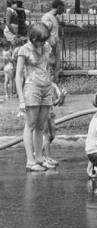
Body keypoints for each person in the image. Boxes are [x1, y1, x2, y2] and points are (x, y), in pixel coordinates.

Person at [16, 22, 54, 171]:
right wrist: (21, 99)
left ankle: (39, 157)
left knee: (41, 126)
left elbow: (46, 67)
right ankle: (30, 161)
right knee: (30, 125)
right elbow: (18, 76)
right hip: (32, 89)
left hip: (46, 88)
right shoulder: (23, 50)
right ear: (32, 38)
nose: (43, 43)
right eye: (41, 40)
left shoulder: (45, 47)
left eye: (44, 40)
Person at [42, 80, 67, 167]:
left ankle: (38, 152)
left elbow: (57, 103)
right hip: (43, 112)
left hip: (51, 113)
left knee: (52, 136)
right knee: (46, 135)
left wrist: (62, 97)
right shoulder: (41, 85)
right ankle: (47, 158)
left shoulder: (53, 85)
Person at [41, 0, 65, 83]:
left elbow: (61, 25)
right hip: (50, 44)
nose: (63, 10)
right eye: (63, 8)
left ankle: (55, 80)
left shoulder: (55, 17)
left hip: (56, 42)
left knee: (57, 62)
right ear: (59, 7)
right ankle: (49, 81)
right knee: (50, 62)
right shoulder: (46, 17)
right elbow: (44, 31)